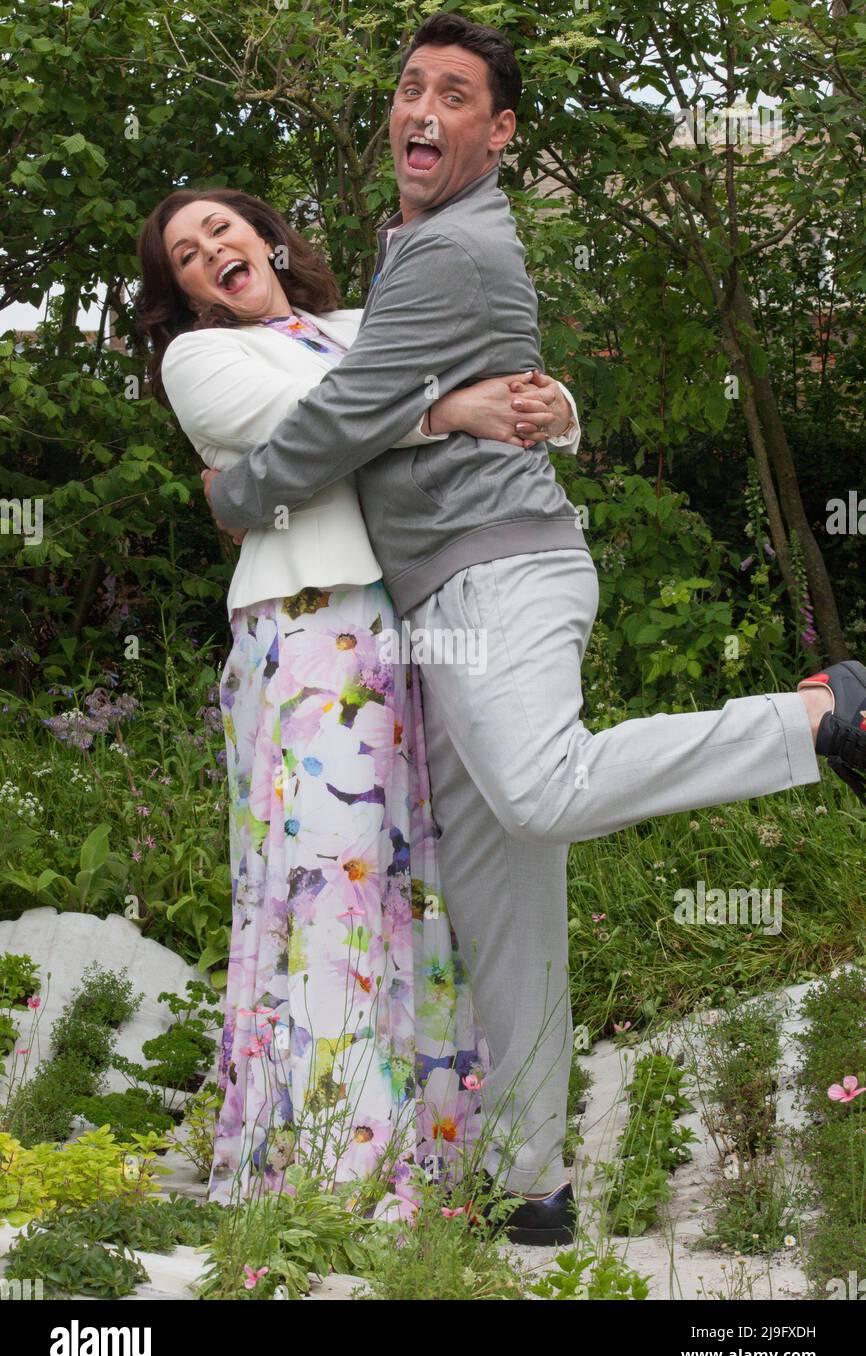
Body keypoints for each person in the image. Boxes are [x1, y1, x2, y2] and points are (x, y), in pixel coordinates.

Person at [201, 11, 866, 1245]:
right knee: (507, 908)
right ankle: (532, 1182)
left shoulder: (450, 248)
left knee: (542, 787)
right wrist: (487, 404)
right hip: (438, 601)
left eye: (452, 95)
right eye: (408, 88)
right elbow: (407, 397)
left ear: (497, 131)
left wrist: (237, 497)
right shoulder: (411, 246)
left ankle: (818, 715)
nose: (420, 110)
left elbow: (344, 415)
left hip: (504, 574)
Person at [135, 184, 581, 1220]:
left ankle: (429, 1149)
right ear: (184, 288)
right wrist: (447, 410)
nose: (212, 252)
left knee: (406, 887)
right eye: (189, 254)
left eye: (223, 230)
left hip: (402, 623)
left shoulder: (356, 326)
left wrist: (545, 405)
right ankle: (337, 1171)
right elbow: (319, 428)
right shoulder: (199, 361)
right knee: (325, 891)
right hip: (303, 625)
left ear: (266, 235)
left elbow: (476, 373)